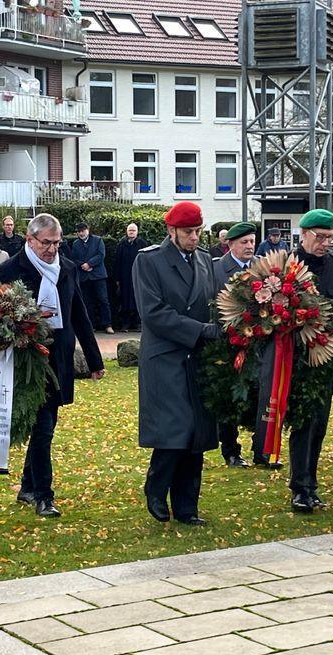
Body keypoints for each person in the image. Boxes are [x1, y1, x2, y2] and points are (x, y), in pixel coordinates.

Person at [0, 214, 105, 517]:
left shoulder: (67, 267)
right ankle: (44, 495)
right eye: (46, 243)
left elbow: (79, 314)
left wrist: (94, 360)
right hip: (28, 360)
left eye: (57, 242)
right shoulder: (10, 270)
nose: (52, 249)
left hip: (59, 358)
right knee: (43, 428)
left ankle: (27, 486)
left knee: (47, 426)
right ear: (29, 239)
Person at [134, 201, 219, 525]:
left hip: (197, 357)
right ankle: (156, 488)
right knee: (175, 430)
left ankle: (187, 506)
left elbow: (213, 302)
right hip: (166, 357)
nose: (194, 237)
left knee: (196, 433)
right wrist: (200, 330)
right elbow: (153, 313)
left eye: (198, 231)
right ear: (172, 231)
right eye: (188, 232)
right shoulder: (149, 260)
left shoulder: (204, 260)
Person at [288, 209, 333, 512]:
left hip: (328, 355)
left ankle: (309, 484)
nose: (325, 244)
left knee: (318, 423)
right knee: (304, 422)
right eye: (319, 237)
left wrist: (332, 320)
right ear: (304, 235)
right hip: (294, 358)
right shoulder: (285, 267)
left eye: (329, 238)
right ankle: (300, 487)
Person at [212, 221, 259, 468]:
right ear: (230, 244)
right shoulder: (216, 269)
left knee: (260, 395)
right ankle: (231, 451)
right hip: (228, 344)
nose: (250, 246)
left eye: (252, 241)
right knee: (229, 398)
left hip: (258, 342)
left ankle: (262, 449)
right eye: (244, 242)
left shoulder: (262, 266)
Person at [69, 222, 113, 334]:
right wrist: (83, 265)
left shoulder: (98, 240)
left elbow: (101, 255)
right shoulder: (76, 244)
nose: (81, 233)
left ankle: (107, 325)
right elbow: (73, 258)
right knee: (87, 302)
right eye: (79, 231)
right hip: (84, 277)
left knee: (103, 300)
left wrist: (89, 264)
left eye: (83, 231)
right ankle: (91, 325)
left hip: (98, 276)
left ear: (88, 230)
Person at [114, 223, 149, 331]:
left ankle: (138, 323)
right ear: (127, 231)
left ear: (137, 232)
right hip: (125, 277)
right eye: (130, 230)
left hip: (139, 276)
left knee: (138, 299)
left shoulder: (143, 244)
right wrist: (117, 279)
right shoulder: (121, 244)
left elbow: (147, 261)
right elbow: (117, 261)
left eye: (133, 230)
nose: (131, 232)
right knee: (125, 300)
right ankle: (126, 323)